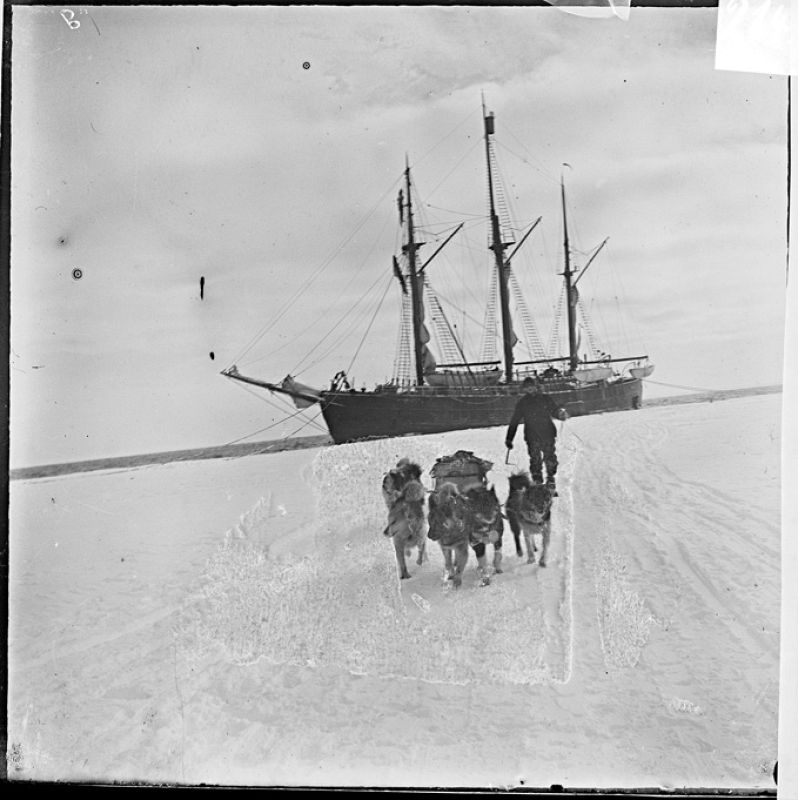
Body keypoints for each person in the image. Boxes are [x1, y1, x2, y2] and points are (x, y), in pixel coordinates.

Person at [505, 377, 568, 490]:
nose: (529, 389)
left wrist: (560, 414)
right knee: (535, 460)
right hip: (532, 435)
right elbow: (515, 421)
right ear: (524, 389)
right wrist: (509, 438)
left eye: (531, 386)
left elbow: (554, 410)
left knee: (550, 458)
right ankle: (538, 483)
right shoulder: (522, 403)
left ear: (535, 386)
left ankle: (550, 480)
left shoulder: (545, 399)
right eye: (527, 387)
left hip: (547, 433)